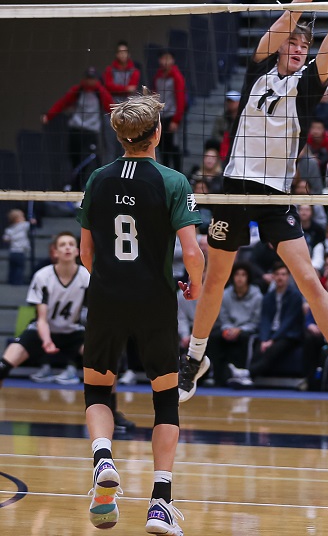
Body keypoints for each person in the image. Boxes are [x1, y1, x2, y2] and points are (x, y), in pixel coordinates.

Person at [178, 0, 328, 411]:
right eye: (291, 41)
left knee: (309, 279)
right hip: (234, 188)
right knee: (216, 279)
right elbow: (289, 16)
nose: (296, 47)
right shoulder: (257, 73)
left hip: (275, 193)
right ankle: (194, 358)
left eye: (302, 45)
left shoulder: (307, 86)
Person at [78, 90, 204, 532]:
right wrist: (196, 286)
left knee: (98, 390)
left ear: (120, 136)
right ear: (157, 134)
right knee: (165, 399)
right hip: (154, 299)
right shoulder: (173, 181)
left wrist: (113, 280)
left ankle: (103, 459)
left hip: (107, 297)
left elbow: (86, 254)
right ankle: (159, 503)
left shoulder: (97, 179)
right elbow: (192, 251)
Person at [0, 232, 87, 387]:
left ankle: (110, 408)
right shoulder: (43, 276)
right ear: (55, 252)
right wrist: (47, 341)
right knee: (2, 367)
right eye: (62, 245)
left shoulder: (86, 276)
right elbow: (41, 319)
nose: (67, 247)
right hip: (42, 330)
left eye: (71, 244)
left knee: (105, 365)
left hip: (74, 331)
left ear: (77, 251)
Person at [227, 262, 304, 388]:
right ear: (272, 277)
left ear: (288, 277)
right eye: (277, 274)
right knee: (258, 346)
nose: (280, 277)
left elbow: (288, 322)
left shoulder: (295, 296)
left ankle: (247, 373)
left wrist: (272, 340)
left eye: (283, 274)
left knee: (273, 348)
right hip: (272, 333)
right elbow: (265, 320)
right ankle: (248, 378)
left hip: (290, 335)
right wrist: (264, 339)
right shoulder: (269, 296)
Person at [43, 67, 114, 190]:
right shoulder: (78, 90)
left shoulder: (101, 93)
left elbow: (111, 107)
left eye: (92, 79)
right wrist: (49, 116)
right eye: (88, 78)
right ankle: (74, 186)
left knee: (90, 159)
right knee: (74, 158)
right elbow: (62, 102)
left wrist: (122, 120)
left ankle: (87, 187)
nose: (90, 81)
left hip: (91, 132)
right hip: (76, 130)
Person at [209, 261, 262, 386]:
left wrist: (240, 329)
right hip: (229, 328)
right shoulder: (226, 294)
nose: (240, 278)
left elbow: (255, 321)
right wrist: (228, 329)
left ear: (248, 278)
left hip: (247, 330)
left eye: (243, 275)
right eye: (237, 274)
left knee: (245, 338)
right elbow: (223, 317)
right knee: (214, 336)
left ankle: (243, 374)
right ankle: (216, 375)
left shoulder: (257, 295)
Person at [153, 49, 187, 171]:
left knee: (174, 147)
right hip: (160, 117)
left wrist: (176, 120)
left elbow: (181, 99)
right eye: (163, 58)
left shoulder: (177, 77)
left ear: (173, 60)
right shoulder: (157, 76)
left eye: (168, 58)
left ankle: (178, 172)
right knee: (162, 147)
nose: (165, 61)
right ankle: (165, 171)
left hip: (172, 117)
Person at [3, 208, 31, 285]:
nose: (24, 218)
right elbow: (29, 224)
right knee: (19, 267)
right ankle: (18, 281)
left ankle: (11, 280)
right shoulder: (23, 226)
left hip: (12, 251)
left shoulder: (10, 229)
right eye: (22, 216)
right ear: (17, 219)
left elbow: (6, 238)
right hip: (20, 251)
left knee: (12, 267)